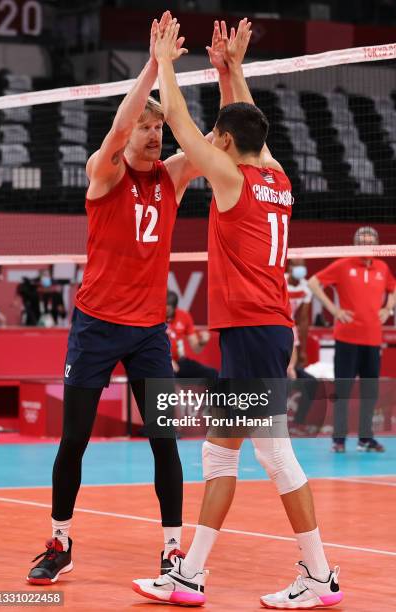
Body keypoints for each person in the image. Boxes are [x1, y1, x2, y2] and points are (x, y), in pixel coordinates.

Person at [133, 18, 342, 609]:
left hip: (252, 330)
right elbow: (246, 123)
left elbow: (179, 122)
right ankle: (195, 576)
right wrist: (232, 71)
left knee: (269, 453)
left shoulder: (230, 178)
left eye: (216, 136)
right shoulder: (275, 175)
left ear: (222, 143)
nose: (212, 141)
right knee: (226, 452)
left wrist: (164, 62)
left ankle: (314, 575)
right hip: (260, 329)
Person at [26, 11, 209, 585]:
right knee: (74, 438)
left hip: (149, 331)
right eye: (146, 130)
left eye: (160, 130)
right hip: (96, 325)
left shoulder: (174, 176)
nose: (156, 136)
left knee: (164, 440)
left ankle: (172, 550)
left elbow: (208, 142)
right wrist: (154, 66)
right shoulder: (103, 174)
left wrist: (224, 70)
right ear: (128, 135)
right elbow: (117, 128)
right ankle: (60, 541)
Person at [308, 226, 395, 453]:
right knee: (343, 390)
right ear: (356, 245)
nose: (366, 246)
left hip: (372, 339)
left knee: (370, 391)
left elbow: (393, 288)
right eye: (362, 242)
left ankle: (365, 439)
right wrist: (334, 310)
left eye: (370, 242)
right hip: (347, 338)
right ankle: (339, 439)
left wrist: (388, 308)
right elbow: (313, 283)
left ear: (376, 246)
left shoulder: (382, 268)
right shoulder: (343, 265)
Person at [286, 259, 319, 435]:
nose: (301, 269)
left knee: (310, 383)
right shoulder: (279, 282)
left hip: (290, 346)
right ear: (289, 268)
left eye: (303, 265)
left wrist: (302, 351)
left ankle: (298, 424)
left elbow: (304, 319)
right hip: (275, 339)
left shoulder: (306, 288)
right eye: (297, 265)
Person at [166, 290, 218, 379]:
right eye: (164, 309)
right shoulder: (156, 318)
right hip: (163, 362)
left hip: (180, 361)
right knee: (169, 377)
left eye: (168, 311)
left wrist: (202, 342)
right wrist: (168, 360)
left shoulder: (184, 316)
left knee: (213, 374)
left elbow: (196, 349)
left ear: (175, 308)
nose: (165, 314)